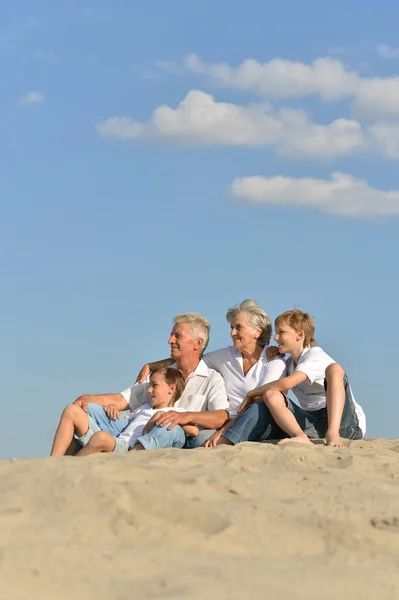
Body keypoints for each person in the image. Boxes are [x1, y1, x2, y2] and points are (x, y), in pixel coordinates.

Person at [50, 312, 228, 455]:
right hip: (132, 430)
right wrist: (86, 399)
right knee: (80, 408)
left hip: (168, 435)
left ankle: (128, 457)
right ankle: (56, 464)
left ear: (198, 343)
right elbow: (122, 399)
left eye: (177, 336)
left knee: (170, 428)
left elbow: (221, 416)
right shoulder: (160, 375)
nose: (170, 341)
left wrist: (184, 417)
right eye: (171, 335)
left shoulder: (212, 378)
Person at [136, 300, 287, 448]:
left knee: (257, 408)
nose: (232, 333)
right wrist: (152, 365)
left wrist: (224, 431)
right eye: (231, 327)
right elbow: (191, 357)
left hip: (257, 420)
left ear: (257, 332)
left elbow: (260, 401)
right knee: (198, 439)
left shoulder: (274, 361)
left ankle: (226, 442)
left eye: (238, 327)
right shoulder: (226, 355)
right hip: (229, 421)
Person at [217, 310, 366, 448]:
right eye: (276, 333)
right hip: (313, 422)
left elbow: (287, 383)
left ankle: (333, 433)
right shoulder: (289, 364)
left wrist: (251, 393)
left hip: (345, 424)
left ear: (300, 335)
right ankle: (300, 436)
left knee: (334, 369)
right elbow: (275, 389)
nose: (275, 338)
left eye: (281, 332)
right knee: (271, 394)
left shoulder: (315, 355)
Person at [75, 368, 199, 456]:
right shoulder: (145, 407)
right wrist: (112, 407)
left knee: (100, 438)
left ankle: (75, 465)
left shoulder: (177, 411)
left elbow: (194, 431)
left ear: (171, 388)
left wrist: (161, 414)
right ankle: (59, 460)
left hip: (130, 447)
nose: (149, 390)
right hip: (120, 439)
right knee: (80, 410)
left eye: (154, 385)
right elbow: (126, 421)